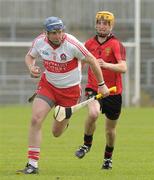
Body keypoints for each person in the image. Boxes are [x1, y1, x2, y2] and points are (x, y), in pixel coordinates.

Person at [16, 16, 110, 174]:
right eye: (53, 33)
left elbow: (92, 60)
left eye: (60, 31)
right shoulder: (40, 42)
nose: (58, 35)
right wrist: (31, 67)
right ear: (46, 33)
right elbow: (29, 56)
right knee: (36, 119)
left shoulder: (71, 44)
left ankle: (64, 122)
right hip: (48, 86)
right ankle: (32, 165)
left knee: (56, 133)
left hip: (70, 92)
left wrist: (101, 85)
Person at [75, 11, 127, 169]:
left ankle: (107, 159)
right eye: (99, 23)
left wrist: (105, 64)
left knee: (110, 131)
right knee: (93, 113)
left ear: (111, 26)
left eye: (106, 23)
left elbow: (123, 67)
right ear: (95, 24)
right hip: (93, 87)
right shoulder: (89, 44)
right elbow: (79, 64)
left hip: (113, 91)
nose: (102, 26)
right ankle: (86, 144)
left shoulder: (116, 44)